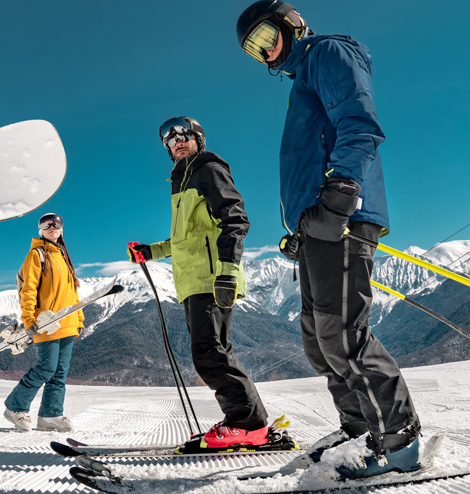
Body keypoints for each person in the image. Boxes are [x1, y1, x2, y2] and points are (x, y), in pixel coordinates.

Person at [236, 0, 422, 478]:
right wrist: (304, 224)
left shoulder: (327, 54)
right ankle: (359, 427)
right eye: (255, 51)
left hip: (342, 216)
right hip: (318, 224)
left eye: (267, 37)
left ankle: (398, 442)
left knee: (344, 337)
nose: (267, 53)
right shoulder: (301, 79)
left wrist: (339, 195)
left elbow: (359, 124)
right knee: (319, 342)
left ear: (291, 22)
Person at [128, 117, 290, 453]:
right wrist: (151, 251)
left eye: (184, 136)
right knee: (216, 352)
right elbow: (184, 238)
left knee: (209, 353)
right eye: (170, 141)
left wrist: (228, 271)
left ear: (198, 138)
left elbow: (235, 219)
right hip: (192, 281)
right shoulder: (182, 180)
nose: (178, 143)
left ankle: (246, 424)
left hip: (212, 278)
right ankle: (252, 424)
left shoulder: (207, 169)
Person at [2, 213, 84, 433]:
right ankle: (14, 407)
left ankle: (51, 414)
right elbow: (28, 290)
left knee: (59, 372)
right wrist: (29, 319)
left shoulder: (64, 257)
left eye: (57, 224)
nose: (52, 227)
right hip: (46, 322)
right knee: (46, 368)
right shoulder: (37, 254)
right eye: (47, 224)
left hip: (67, 322)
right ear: (40, 230)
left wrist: (79, 318)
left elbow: (72, 292)